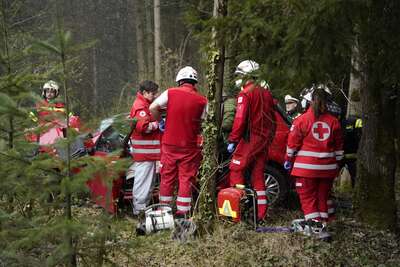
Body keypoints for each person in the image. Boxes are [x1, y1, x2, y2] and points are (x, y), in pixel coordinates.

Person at [284, 87, 343, 239]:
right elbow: (338, 148)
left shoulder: (301, 120)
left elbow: (292, 143)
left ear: (309, 100)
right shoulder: (334, 121)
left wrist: (288, 159)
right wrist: (335, 163)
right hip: (328, 169)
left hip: (306, 170)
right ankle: (322, 225)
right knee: (322, 197)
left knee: (308, 199)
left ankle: (317, 230)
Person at [149, 66, 207, 218]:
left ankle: (163, 212)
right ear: (195, 83)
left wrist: (161, 121)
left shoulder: (171, 92)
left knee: (167, 178)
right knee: (186, 179)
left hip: (169, 144)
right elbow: (204, 122)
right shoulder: (202, 100)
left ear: (180, 81)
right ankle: (183, 213)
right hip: (189, 146)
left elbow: (153, 107)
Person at [226, 60, 276, 221]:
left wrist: (233, 139)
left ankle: (235, 213)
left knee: (235, 168)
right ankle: (261, 214)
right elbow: (273, 119)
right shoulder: (267, 93)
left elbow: (240, 119)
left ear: (246, 76)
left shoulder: (245, 93)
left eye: (239, 75)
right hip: (264, 140)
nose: (237, 79)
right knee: (257, 175)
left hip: (251, 138)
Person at [127, 80, 162, 216]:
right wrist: (157, 124)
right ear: (144, 92)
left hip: (149, 155)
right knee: (143, 184)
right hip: (144, 155)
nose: (155, 96)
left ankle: (143, 209)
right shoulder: (140, 106)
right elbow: (143, 128)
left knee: (148, 183)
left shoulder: (145, 104)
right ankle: (139, 211)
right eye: (152, 93)